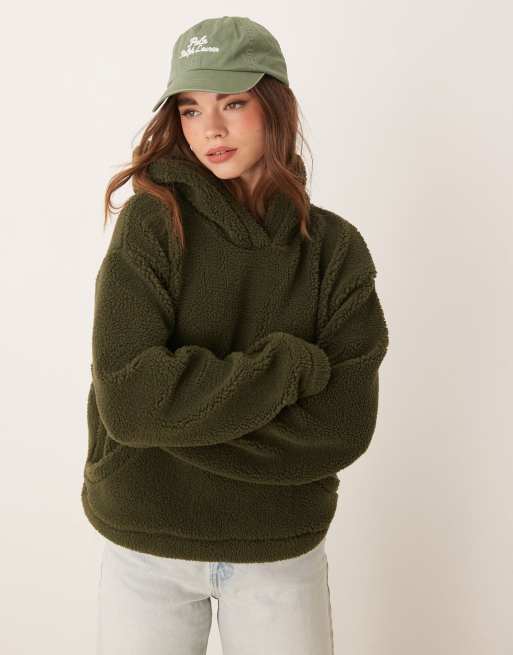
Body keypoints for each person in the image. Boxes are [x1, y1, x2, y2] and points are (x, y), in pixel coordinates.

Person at [82, 15, 390, 655]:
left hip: (280, 548)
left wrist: (177, 426)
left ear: (276, 106)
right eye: (191, 109)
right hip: (147, 545)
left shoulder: (335, 250)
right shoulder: (152, 224)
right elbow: (131, 404)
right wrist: (286, 368)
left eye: (233, 103)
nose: (210, 130)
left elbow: (343, 427)